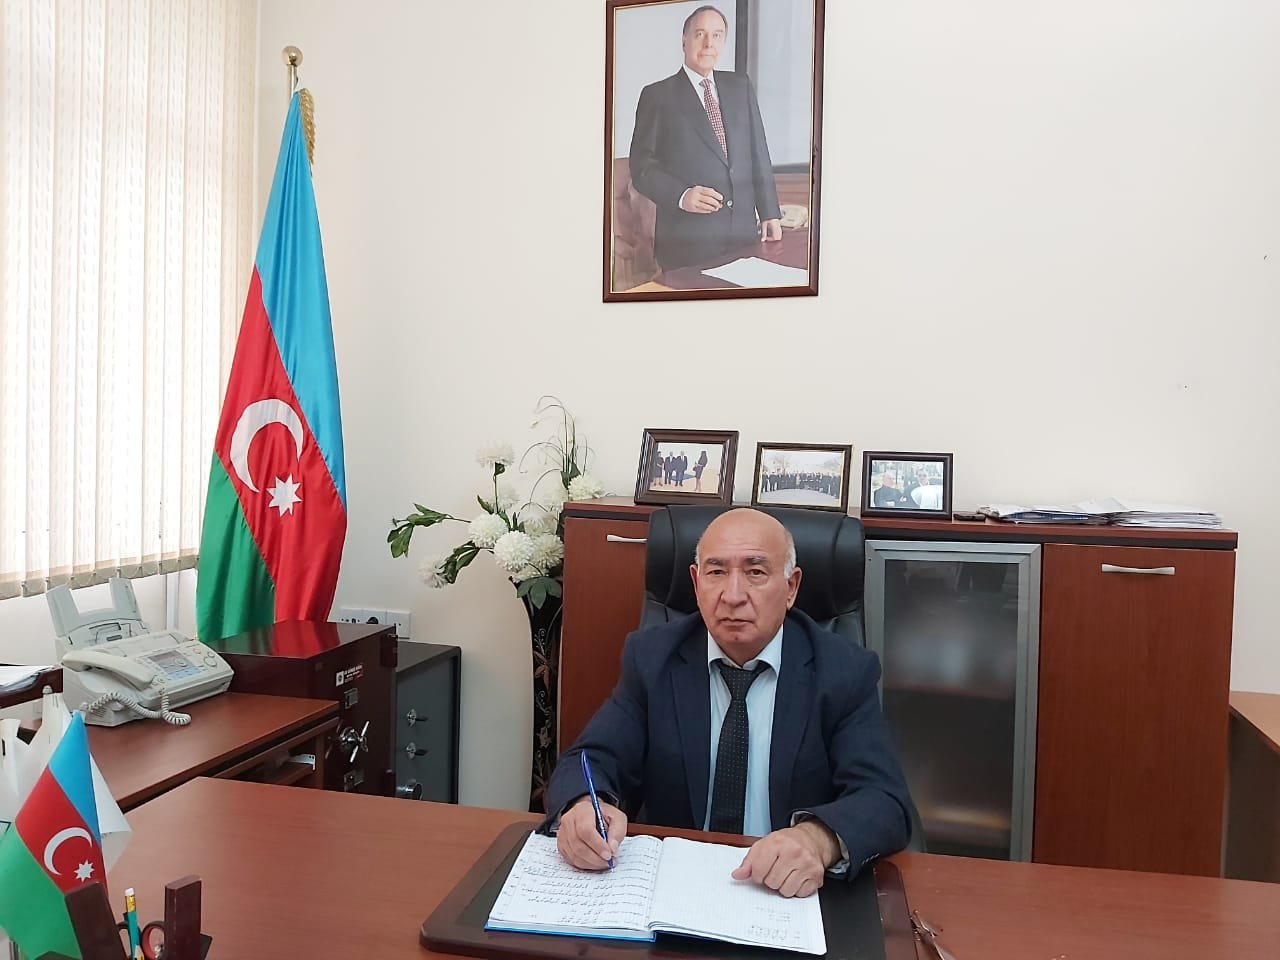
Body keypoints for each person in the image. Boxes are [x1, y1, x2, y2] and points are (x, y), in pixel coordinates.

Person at [544, 509, 912, 899]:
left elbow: (884, 800)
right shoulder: (653, 658)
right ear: (695, 582)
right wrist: (583, 805)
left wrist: (816, 840)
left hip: (784, 893)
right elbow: (591, 759)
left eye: (756, 572)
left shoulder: (843, 671)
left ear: (791, 587)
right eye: (716, 572)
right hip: (676, 886)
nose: (733, 596)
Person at [628, 6, 783, 271]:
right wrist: (681, 195)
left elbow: (759, 151)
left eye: (717, 35)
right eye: (700, 34)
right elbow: (641, 167)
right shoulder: (657, 96)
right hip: (687, 243)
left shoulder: (740, 86)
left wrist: (769, 212)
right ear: (684, 41)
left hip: (743, 236)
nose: (709, 43)